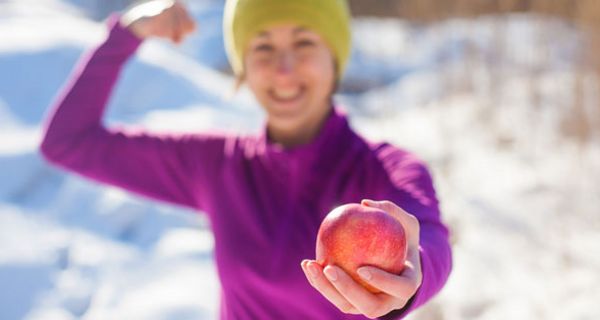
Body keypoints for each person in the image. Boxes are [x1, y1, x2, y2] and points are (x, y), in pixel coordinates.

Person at [40, 0, 452, 319]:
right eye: (263, 47)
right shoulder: (217, 165)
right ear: (242, 69)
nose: (283, 68)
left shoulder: (385, 168)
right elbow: (68, 141)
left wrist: (414, 274)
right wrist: (128, 32)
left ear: (336, 57)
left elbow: (428, 236)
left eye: (304, 43)